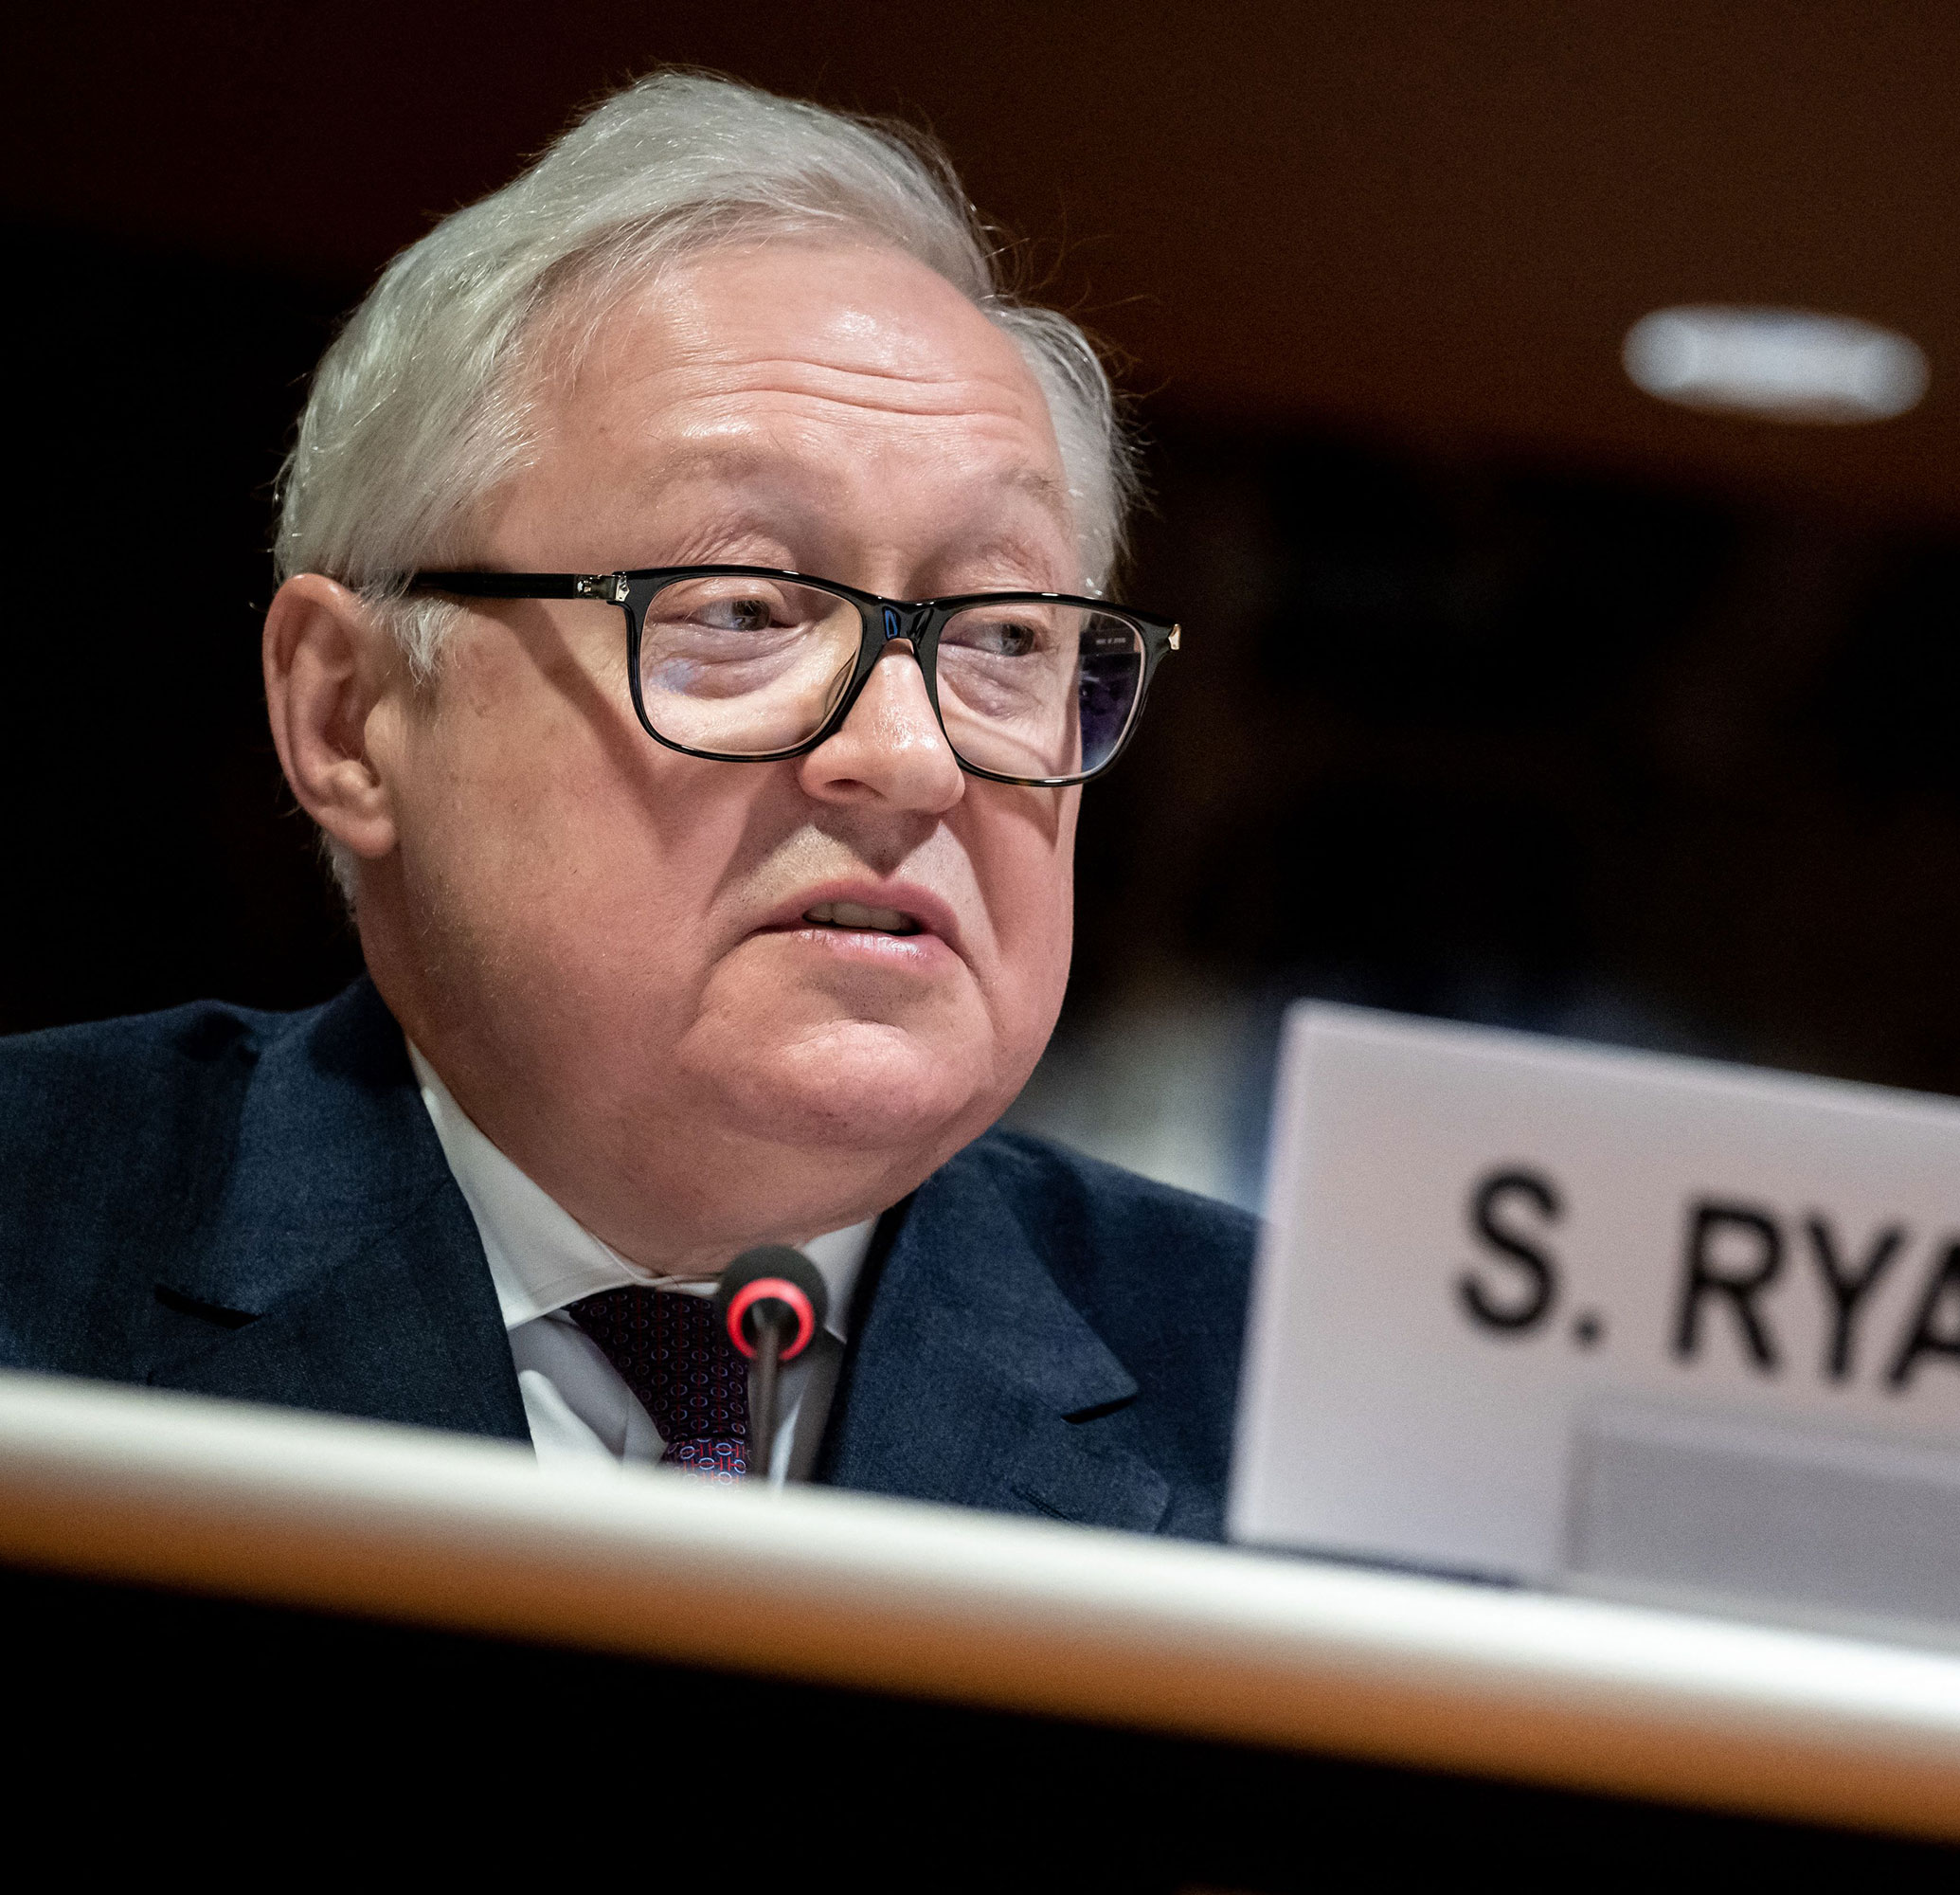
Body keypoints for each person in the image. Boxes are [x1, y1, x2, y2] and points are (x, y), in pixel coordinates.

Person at [0, 72, 1251, 1538]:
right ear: (347, 714)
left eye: (1004, 640)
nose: (911, 758)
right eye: (741, 607)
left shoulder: (1311, 1407)